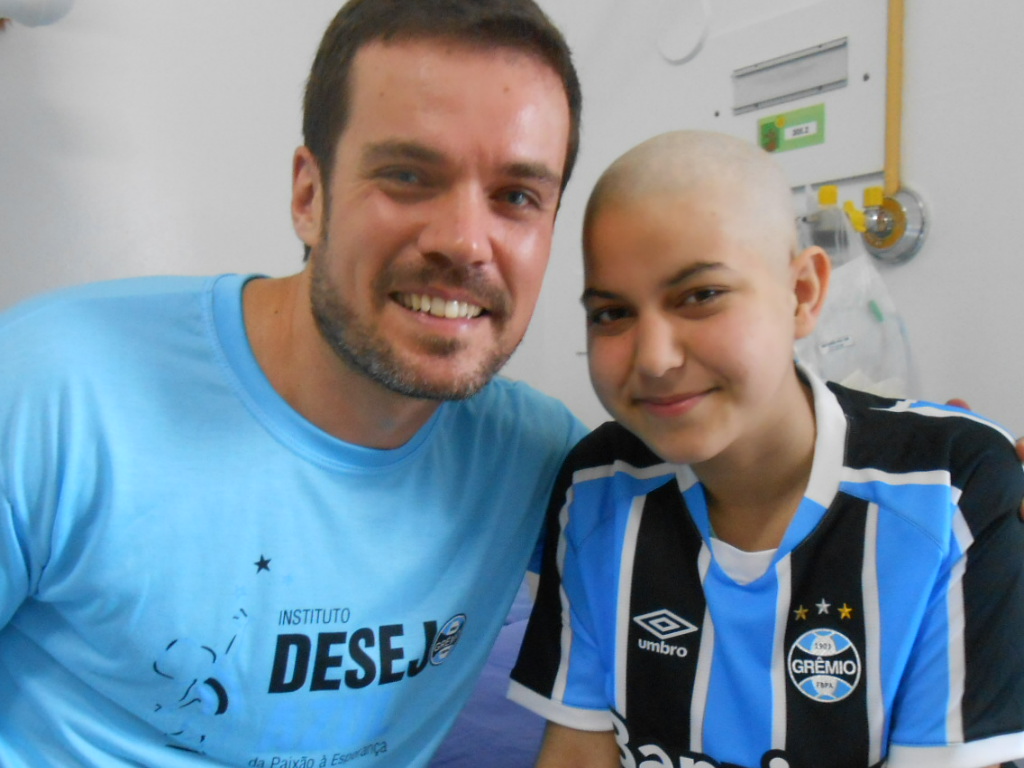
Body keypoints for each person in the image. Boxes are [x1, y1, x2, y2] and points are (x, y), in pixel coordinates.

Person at [0, 1, 588, 765]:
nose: (464, 244)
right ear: (310, 196)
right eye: (408, 176)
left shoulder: (539, 459)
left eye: (516, 197)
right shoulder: (52, 389)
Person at [508, 130, 1024, 768]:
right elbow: (579, 754)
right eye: (612, 313)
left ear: (803, 293)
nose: (656, 358)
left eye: (700, 296)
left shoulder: (954, 491)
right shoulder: (596, 488)